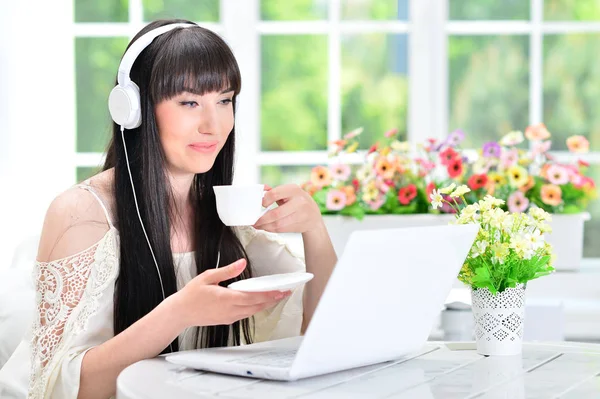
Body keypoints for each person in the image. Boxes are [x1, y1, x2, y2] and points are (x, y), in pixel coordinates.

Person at [0, 19, 337, 399]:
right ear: (134, 109)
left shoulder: (226, 216)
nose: (214, 125)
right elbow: (56, 388)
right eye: (190, 102)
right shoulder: (81, 213)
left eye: (224, 100)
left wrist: (315, 232)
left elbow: (321, 333)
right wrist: (180, 313)